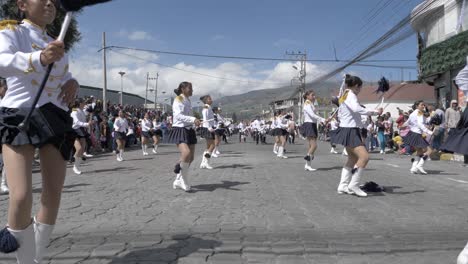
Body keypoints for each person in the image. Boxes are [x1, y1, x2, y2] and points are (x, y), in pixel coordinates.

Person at [0, 1, 79, 262]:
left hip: (53, 116)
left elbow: (60, 77)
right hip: (19, 115)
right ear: (22, 5)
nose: (49, 3)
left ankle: (35, 257)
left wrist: (72, 81)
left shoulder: (56, 42)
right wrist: (39, 57)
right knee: (21, 196)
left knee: (53, 193)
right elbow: (2, 63)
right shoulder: (12, 32)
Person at [330, 75, 382, 197]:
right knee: (364, 157)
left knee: (352, 159)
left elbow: (354, 108)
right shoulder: (351, 94)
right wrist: (374, 111)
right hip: (350, 130)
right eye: (360, 87)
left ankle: (342, 186)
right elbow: (356, 108)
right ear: (357, 86)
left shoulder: (344, 94)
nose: (360, 90)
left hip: (347, 129)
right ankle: (354, 184)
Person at [166, 82, 200, 192]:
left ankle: (178, 179)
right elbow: (178, 116)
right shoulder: (179, 99)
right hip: (180, 129)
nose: (192, 90)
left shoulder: (188, 100)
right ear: (182, 88)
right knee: (186, 153)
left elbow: (187, 116)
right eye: (190, 88)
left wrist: (194, 122)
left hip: (189, 130)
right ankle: (184, 181)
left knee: (191, 158)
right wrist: (193, 119)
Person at [402, 100, 433, 174]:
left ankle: (413, 168)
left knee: (419, 151)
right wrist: (429, 132)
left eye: (424, 105)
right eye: (422, 105)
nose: (423, 106)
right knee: (429, 150)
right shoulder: (419, 112)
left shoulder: (413, 113)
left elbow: (408, 122)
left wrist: (402, 126)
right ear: (417, 106)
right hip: (417, 134)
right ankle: (420, 165)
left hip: (412, 133)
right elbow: (420, 124)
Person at [301, 90, 326, 171]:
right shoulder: (307, 103)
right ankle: (308, 159)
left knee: (311, 146)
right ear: (307, 96)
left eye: (314, 95)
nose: (314, 96)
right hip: (309, 124)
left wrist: (322, 121)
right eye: (312, 95)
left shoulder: (311, 104)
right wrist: (322, 119)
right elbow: (312, 115)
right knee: (314, 146)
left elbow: (315, 115)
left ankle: (308, 165)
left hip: (312, 124)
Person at [70, 98, 94, 175]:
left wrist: (91, 112)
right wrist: (87, 124)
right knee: (79, 148)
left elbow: (87, 113)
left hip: (81, 130)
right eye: (83, 102)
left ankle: (76, 166)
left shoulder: (82, 111)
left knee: (82, 149)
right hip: (74, 130)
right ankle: (74, 160)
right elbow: (76, 122)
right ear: (80, 103)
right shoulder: (74, 110)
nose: (85, 104)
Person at [199, 95, 215, 169]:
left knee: (208, 147)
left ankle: (203, 162)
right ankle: (206, 162)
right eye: (209, 99)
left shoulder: (208, 106)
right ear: (206, 101)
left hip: (208, 127)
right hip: (207, 128)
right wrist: (209, 127)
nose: (211, 100)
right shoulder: (206, 107)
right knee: (212, 145)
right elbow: (205, 117)